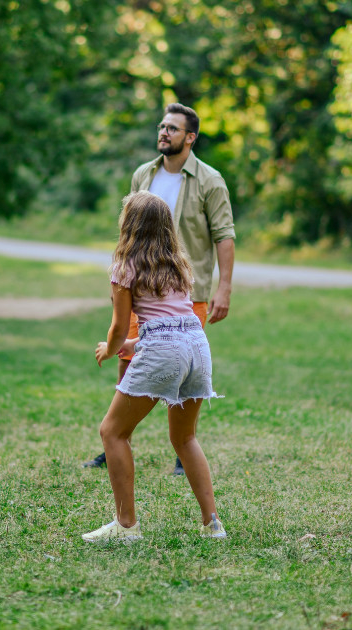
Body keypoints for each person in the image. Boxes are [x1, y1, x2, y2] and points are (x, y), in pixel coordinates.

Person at [84, 103, 236, 474]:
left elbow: (224, 235)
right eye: (162, 126)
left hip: (186, 291)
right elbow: (129, 229)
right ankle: (118, 440)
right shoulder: (144, 174)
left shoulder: (209, 180)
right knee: (127, 361)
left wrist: (224, 288)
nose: (164, 132)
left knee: (179, 363)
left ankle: (183, 450)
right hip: (141, 289)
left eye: (173, 128)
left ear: (191, 137)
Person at [82, 191, 226, 543]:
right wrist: (129, 345)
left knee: (112, 432)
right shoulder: (178, 263)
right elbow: (168, 322)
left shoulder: (125, 266)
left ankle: (126, 526)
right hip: (197, 346)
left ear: (129, 225)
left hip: (167, 351)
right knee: (185, 437)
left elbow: (119, 327)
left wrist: (111, 347)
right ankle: (213, 525)